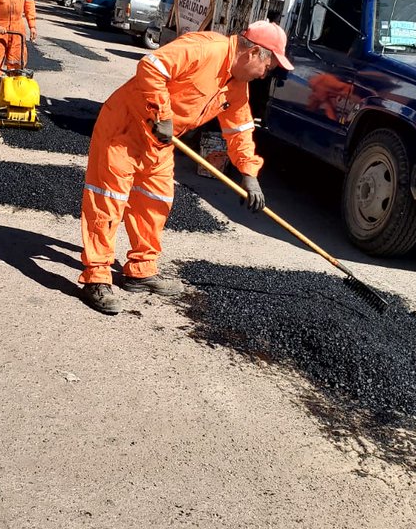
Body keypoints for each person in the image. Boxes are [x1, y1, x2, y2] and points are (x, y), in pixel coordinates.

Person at [79, 21, 294, 315]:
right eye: (268, 67)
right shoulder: (205, 49)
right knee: (109, 202)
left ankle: (140, 271)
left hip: (161, 142)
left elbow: (240, 130)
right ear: (255, 52)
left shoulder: (237, 86)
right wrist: (162, 114)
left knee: (155, 203)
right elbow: (152, 66)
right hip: (125, 128)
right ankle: (96, 278)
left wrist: (249, 174)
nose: (266, 75)